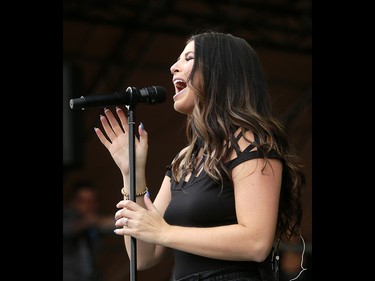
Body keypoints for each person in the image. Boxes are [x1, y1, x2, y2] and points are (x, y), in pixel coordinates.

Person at [94, 31, 306, 281]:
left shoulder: (252, 143)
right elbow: (143, 256)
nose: (174, 67)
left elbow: (256, 243)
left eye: (188, 58)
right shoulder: (184, 159)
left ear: (220, 71)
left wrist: (164, 232)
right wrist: (132, 172)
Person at [63, 181, 114, 281]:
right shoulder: (67, 216)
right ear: (73, 201)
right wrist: (90, 222)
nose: (88, 206)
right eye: (83, 201)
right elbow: (68, 228)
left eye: (92, 201)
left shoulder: (94, 222)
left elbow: (111, 225)